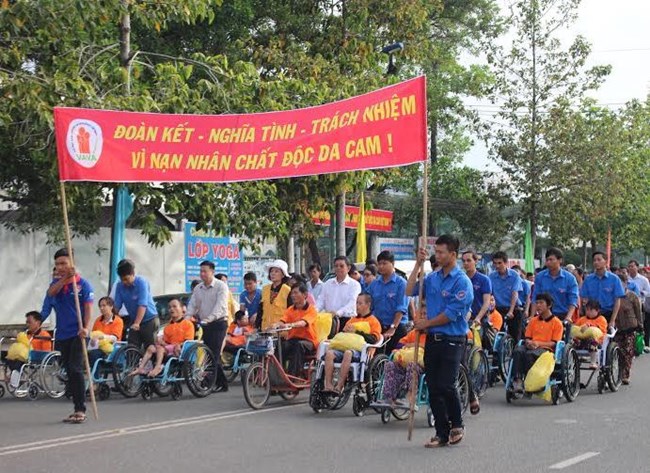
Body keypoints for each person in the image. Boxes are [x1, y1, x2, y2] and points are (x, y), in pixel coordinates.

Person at [406, 234, 473, 448]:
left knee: (446, 384)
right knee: (433, 387)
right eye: (436, 251)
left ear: (453, 255)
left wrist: (426, 323)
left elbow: (451, 314)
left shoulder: (462, 282)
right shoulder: (432, 278)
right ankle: (441, 432)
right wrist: (418, 264)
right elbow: (408, 290)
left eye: (441, 252)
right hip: (433, 340)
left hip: (452, 339)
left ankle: (457, 424)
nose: (437, 255)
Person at [41, 248, 94, 424]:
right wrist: (64, 278)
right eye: (57, 264)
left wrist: (86, 328)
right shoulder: (56, 285)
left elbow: (87, 309)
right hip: (62, 334)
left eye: (64, 263)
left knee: (75, 368)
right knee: (69, 371)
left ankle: (80, 409)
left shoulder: (84, 285)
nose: (60, 266)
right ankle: (76, 404)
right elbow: (50, 294)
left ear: (72, 263)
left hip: (79, 333)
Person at [322, 293, 382, 395]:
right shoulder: (352, 319)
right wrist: (344, 331)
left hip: (361, 352)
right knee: (329, 354)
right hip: (344, 347)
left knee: (348, 353)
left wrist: (357, 332)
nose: (357, 306)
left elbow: (373, 339)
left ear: (368, 305)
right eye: (356, 303)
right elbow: (343, 337)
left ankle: (340, 386)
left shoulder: (374, 321)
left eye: (360, 303)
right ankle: (328, 385)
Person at [186, 260, 231, 392]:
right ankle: (222, 383)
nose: (202, 274)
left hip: (218, 323)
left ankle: (209, 382)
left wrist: (209, 319)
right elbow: (192, 305)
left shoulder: (221, 286)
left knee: (214, 354)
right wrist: (187, 318)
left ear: (212, 272)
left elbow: (220, 306)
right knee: (208, 353)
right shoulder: (198, 288)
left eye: (205, 271)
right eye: (201, 271)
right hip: (205, 325)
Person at [510, 293, 564, 393]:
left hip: (546, 350)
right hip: (532, 345)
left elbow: (554, 343)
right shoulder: (533, 321)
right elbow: (527, 337)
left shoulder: (557, 323)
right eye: (537, 303)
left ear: (549, 305)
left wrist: (538, 344)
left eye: (541, 303)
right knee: (518, 350)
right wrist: (529, 343)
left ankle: (531, 381)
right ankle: (517, 380)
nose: (538, 305)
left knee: (530, 354)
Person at [132, 298, 194, 378]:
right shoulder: (167, 327)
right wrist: (161, 342)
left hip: (180, 349)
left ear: (182, 309)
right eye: (169, 307)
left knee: (160, 349)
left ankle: (157, 367)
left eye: (175, 306)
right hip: (169, 349)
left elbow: (188, 341)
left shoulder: (188, 324)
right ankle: (141, 368)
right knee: (151, 347)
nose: (171, 309)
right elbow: (167, 343)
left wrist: (177, 345)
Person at [367, 251, 409, 353]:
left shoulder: (401, 283)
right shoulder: (374, 284)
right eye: (379, 264)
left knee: (393, 358)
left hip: (397, 327)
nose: (381, 266)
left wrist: (392, 328)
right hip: (378, 327)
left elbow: (401, 308)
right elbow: (368, 305)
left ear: (393, 264)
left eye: (384, 263)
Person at [273, 283, 319, 377]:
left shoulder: (312, 310)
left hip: (309, 341)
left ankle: (292, 376)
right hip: (293, 339)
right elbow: (283, 320)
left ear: (305, 295)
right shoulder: (290, 309)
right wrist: (275, 325)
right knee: (279, 345)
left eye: (295, 293)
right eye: (292, 293)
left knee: (299, 346)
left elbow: (303, 322)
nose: (293, 295)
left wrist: (291, 324)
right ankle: (277, 376)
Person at [113, 259, 160, 350]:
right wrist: (113, 318)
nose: (124, 282)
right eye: (122, 279)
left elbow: (142, 304)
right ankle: (132, 364)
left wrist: (137, 323)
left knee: (150, 348)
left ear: (133, 274)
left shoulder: (141, 282)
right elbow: (117, 305)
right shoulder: (119, 286)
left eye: (126, 279)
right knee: (132, 347)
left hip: (149, 319)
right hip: (134, 320)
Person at [379, 328, 426, 406]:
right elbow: (400, 344)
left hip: (422, 365)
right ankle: (389, 397)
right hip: (405, 361)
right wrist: (399, 349)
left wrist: (418, 345)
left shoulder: (432, 334)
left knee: (412, 365)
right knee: (390, 365)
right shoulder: (414, 333)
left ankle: (408, 396)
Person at [6, 311, 53, 388]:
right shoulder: (25, 334)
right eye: (26, 322)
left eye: (29, 322)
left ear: (38, 322)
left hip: (38, 357)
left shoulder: (45, 335)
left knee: (19, 361)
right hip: (26, 355)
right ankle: (14, 375)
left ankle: (15, 376)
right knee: (9, 358)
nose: (27, 324)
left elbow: (46, 352)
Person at [531, 248, 579, 321]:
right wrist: (532, 316)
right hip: (544, 315)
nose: (548, 263)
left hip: (563, 315)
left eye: (551, 260)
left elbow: (573, 300)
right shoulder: (540, 277)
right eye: (547, 260)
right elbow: (535, 297)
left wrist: (568, 317)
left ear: (560, 260)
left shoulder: (570, 278)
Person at [316, 256, 361, 330]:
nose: (338, 268)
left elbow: (352, 302)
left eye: (341, 266)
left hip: (347, 321)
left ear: (348, 268)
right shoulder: (327, 283)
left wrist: (338, 313)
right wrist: (314, 311)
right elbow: (321, 300)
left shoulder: (355, 285)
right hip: (329, 320)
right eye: (336, 266)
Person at [581, 251, 625, 326]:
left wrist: (612, 320)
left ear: (605, 261)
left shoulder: (614, 279)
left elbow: (617, 301)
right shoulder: (588, 279)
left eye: (599, 260)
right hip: (592, 315)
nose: (596, 262)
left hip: (608, 314)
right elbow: (585, 300)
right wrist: (587, 317)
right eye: (594, 260)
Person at [614, 273, 644, 384]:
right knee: (618, 351)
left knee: (628, 352)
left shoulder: (632, 296)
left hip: (630, 327)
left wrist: (640, 326)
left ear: (626, 283)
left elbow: (638, 312)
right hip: (617, 328)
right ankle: (617, 373)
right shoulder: (614, 296)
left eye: (621, 283)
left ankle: (626, 374)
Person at [489, 251, 523, 341]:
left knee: (515, 335)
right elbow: (489, 293)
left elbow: (514, 293)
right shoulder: (491, 276)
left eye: (499, 263)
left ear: (506, 263)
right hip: (499, 309)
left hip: (513, 309)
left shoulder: (514, 275)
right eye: (495, 263)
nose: (497, 266)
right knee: (497, 335)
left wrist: (511, 311)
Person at [257, 259, 292, 331]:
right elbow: (260, 310)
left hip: (281, 331)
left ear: (283, 275)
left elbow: (290, 311)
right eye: (271, 271)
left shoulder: (287, 290)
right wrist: (256, 326)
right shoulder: (265, 289)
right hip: (265, 330)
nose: (273, 273)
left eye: (276, 271)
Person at [88, 297, 124, 368]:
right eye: (100, 306)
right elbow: (93, 334)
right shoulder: (98, 320)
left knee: (94, 354)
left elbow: (115, 338)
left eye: (104, 305)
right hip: (98, 346)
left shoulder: (118, 320)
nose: (101, 308)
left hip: (112, 347)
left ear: (111, 306)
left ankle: (95, 377)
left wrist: (103, 337)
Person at [571, 300, 608, 368]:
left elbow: (602, 330)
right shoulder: (582, 319)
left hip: (597, 341)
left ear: (597, 310)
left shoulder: (601, 319)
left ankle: (593, 362)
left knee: (592, 342)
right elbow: (576, 328)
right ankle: (572, 359)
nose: (588, 312)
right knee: (572, 341)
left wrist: (589, 325)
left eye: (591, 310)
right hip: (582, 340)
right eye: (587, 310)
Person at [461, 250, 492, 327]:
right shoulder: (460, 279)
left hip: (479, 319)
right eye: (463, 261)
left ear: (476, 261)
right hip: (463, 319)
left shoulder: (484, 279)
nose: (466, 263)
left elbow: (486, 302)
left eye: (468, 260)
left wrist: (478, 318)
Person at [627, 260, 650, 351]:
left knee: (642, 324)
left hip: (640, 304)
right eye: (629, 266)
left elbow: (648, 292)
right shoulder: (627, 279)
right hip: (628, 304)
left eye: (633, 266)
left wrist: (640, 293)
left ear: (637, 267)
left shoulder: (643, 279)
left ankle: (645, 343)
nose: (631, 268)